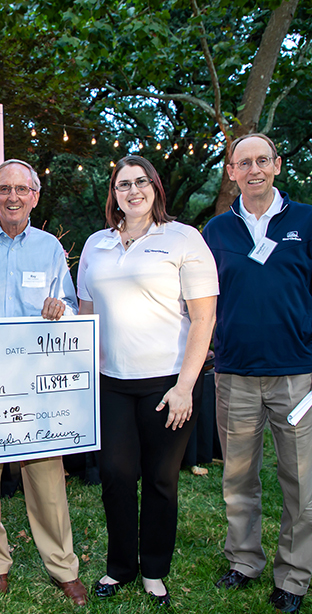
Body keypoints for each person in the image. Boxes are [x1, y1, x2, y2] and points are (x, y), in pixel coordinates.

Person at [0, 159, 87, 606]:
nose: (11, 197)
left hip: (34, 381)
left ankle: (62, 565)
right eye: (3, 188)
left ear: (34, 196)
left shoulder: (48, 248)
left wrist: (59, 307)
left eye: (20, 189)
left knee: (46, 475)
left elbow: (66, 302)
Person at [77, 155, 218, 606]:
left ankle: (155, 570)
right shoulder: (96, 244)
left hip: (167, 383)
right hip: (111, 381)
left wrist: (185, 385)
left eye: (141, 182)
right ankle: (120, 567)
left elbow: (203, 317)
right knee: (117, 476)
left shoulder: (183, 238)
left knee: (160, 479)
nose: (132, 191)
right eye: (123, 184)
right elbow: (86, 315)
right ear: (113, 193)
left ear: (155, 187)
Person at [203, 133, 312, 614]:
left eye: (262, 160)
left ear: (277, 165)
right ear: (231, 171)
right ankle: (244, 560)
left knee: (301, 481)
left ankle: (294, 574)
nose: (253, 169)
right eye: (242, 162)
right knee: (239, 478)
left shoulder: (307, 221)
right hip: (235, 375)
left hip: (297, 376)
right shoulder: (215, 232)